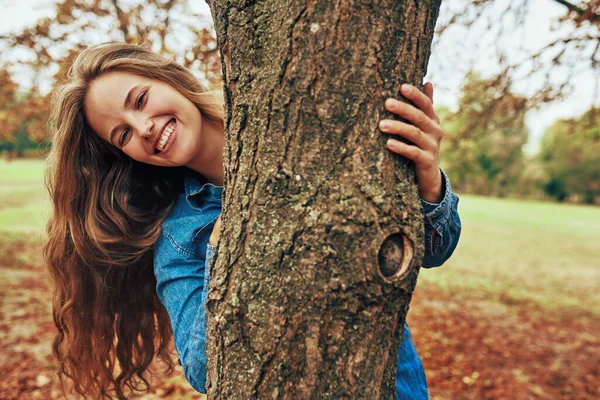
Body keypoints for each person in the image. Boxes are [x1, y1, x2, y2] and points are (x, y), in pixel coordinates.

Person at [45, 42, 460, 400]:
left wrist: (428, 183)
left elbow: (431, 251)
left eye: (139, 100)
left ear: (168, 78)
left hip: (389, 385)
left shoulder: (290, 118)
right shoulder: (179, 236)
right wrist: (224, 251)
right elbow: (206, 370)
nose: (144, 127)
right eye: (123, 135)